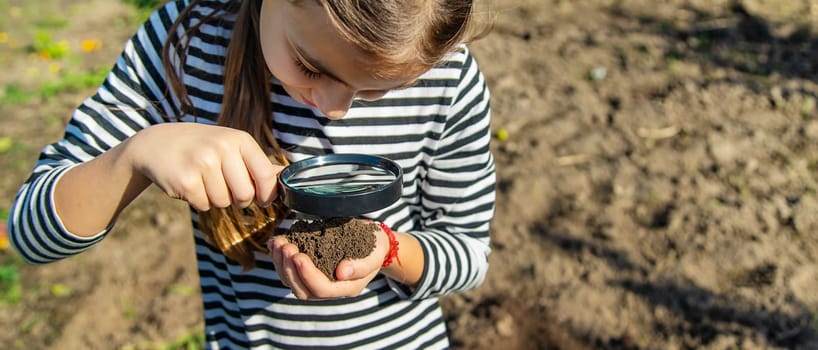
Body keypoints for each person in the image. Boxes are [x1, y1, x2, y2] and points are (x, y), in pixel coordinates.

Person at [8, 0, 495, 348]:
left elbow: (468, 252)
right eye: (309, 66)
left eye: (375, 92)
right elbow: (31, 234)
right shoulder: (186, 42)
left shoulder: (448, 79)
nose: (334, 110)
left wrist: (388, 249)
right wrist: (135, 155)